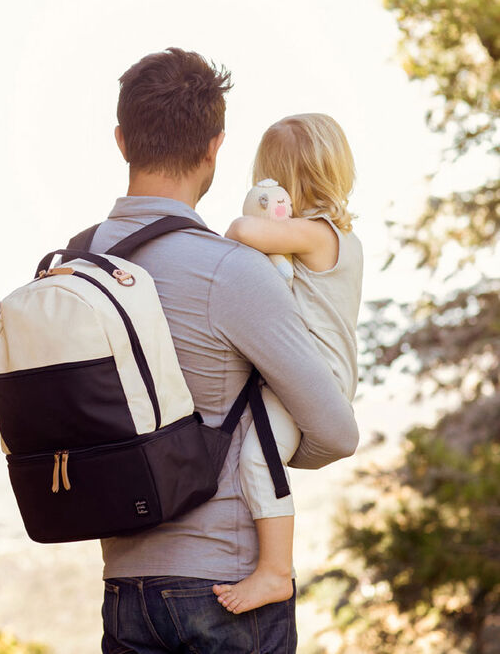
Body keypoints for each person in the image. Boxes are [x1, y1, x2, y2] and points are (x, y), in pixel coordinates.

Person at [88, 48, 359, 654]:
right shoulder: (230, 272)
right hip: (223, 592)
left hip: (124, 587)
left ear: (121, 140)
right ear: (215, 147)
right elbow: (337, 432)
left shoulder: (83, 263)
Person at [212, 114, 363, 615]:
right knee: (255, 455)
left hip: (316, 380)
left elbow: (240, 230)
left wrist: (261, 208)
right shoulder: (314, 239)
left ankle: (276, 571)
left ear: (280, 182)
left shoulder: (319, 235)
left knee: (259, 459)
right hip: (305, 375)